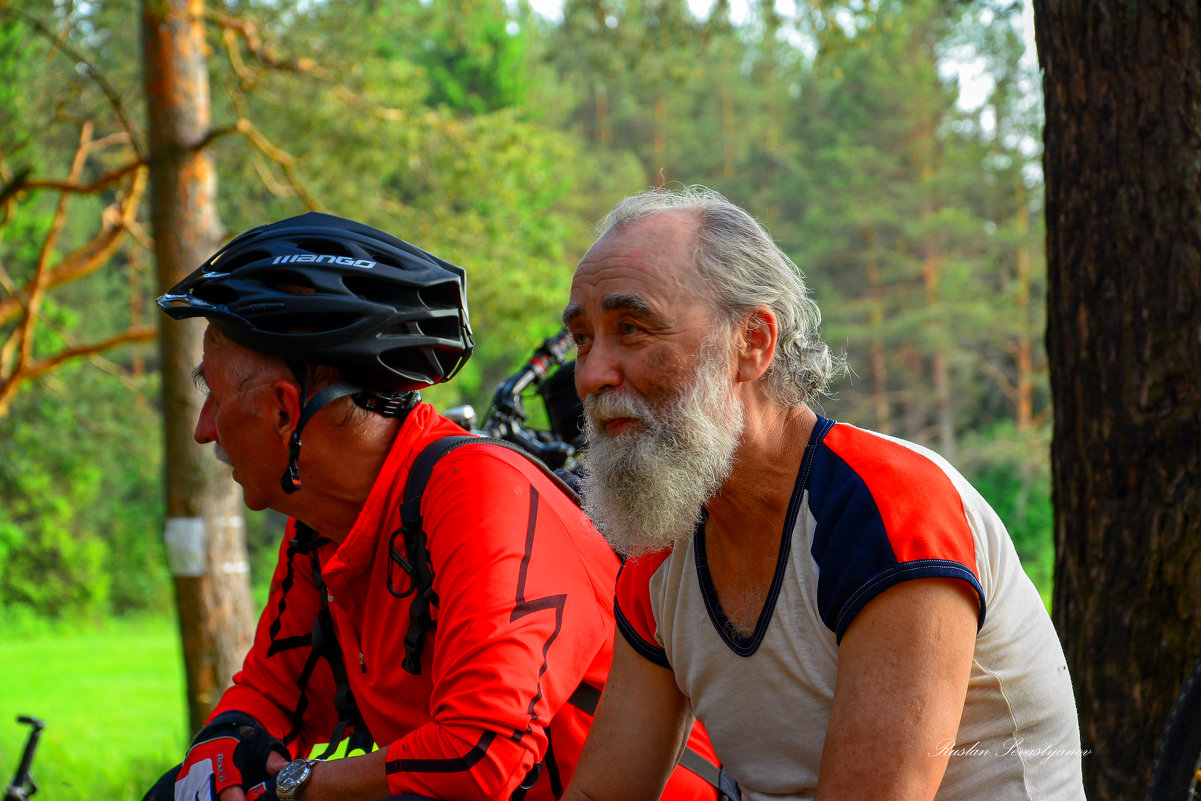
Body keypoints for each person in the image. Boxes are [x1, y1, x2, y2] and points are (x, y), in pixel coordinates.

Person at [144, 212, 719, 801]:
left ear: (284, 411)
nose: (203, 429)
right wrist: (217, 766)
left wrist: (293, 788)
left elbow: (478, 757)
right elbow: (272, 695)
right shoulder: (324, 527)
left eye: (213, 396)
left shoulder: (480, 493)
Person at [558, 186, 1088, 801]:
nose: (593, 374)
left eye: (633, 328)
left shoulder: (888, 510)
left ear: (751, 343)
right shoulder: (661, 558)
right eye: (583, 339)